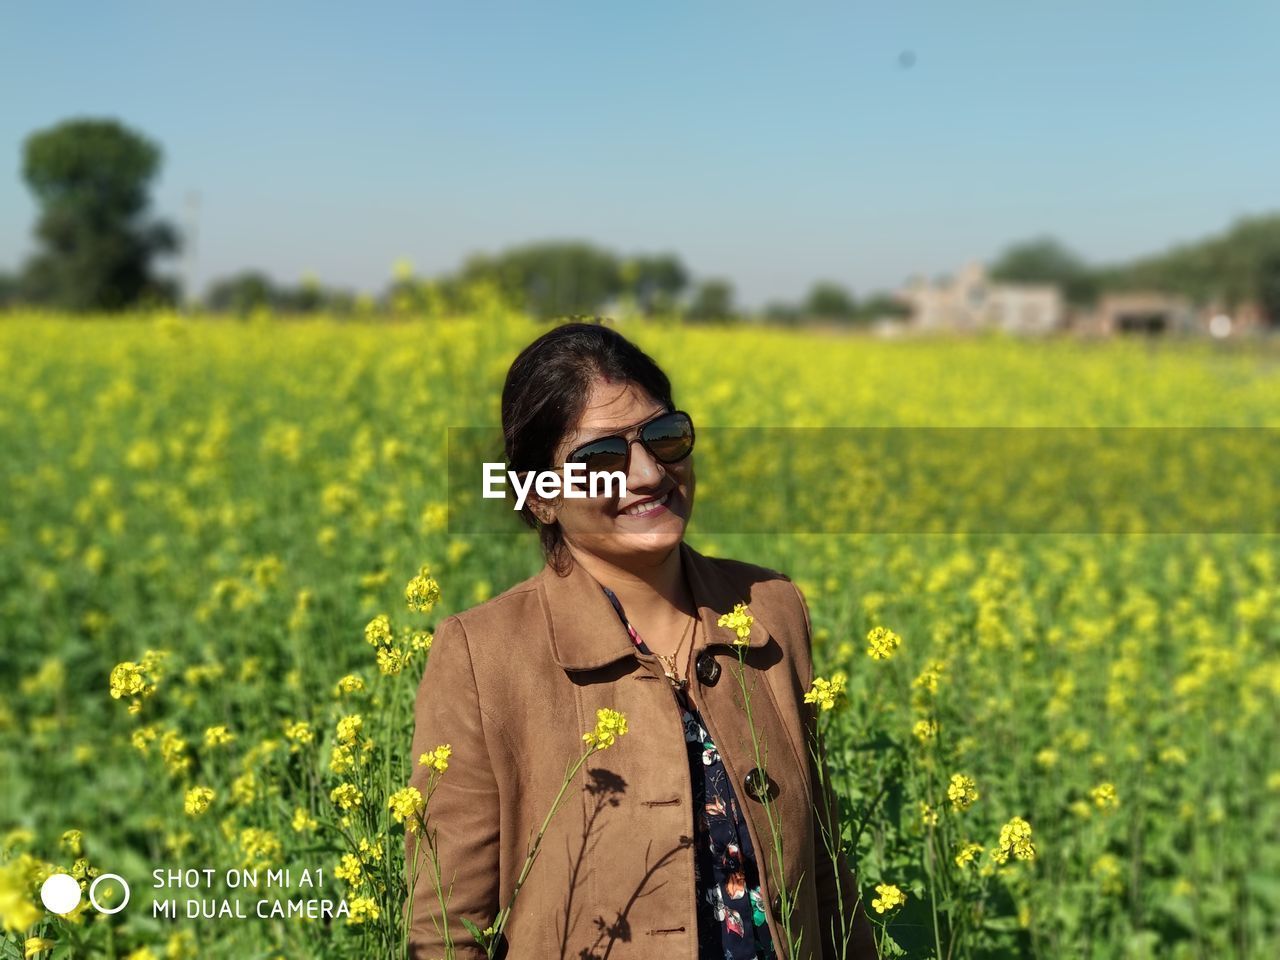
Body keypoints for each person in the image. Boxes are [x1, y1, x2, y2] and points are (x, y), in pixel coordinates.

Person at [403, 320, 877, 960]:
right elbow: (447, 930)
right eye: (601, 458)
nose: (649, 473)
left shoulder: (772, 612)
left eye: (665, 436)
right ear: (538, 497)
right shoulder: (481, 656)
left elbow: (824, 876)